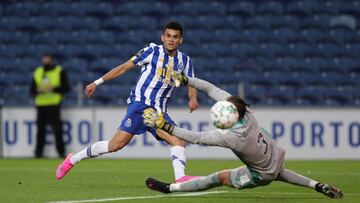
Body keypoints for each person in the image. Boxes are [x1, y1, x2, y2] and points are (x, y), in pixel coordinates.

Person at [142, 75, 343, 199]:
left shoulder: (231, 138)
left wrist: (165, 125)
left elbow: (194, 137)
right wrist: (187, 80)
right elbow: (212, 90)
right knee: (277, 171)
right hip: (273, 154)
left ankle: (170, 188)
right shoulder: (245, 111)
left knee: (219, 178)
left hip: (259, 174)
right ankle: (318, 185)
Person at [56, 20, 199, 182]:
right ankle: (180, 179)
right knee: (120, 145)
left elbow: (191, 83)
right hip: (141, 105)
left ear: (181, 40)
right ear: (162, 37)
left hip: (159, 111)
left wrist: (193, 98)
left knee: (173, 141)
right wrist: (97, 82)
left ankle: (181, 179)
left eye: (175, 37)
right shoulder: (151, 51)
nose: (171, 39)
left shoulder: (185, 61)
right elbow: (124, 67)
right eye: (168, 36)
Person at [30, 53, 70, 158]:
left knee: (57, 130)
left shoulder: (59, 70)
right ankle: (38, 153)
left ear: (52, 60)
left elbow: (66, 88)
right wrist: (39, 90)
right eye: (44, 59)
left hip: (54, 105)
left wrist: (53, 89)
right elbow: (32, 90)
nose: (45, 61)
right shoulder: (38, 71)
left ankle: (61, 153)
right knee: (40, 130)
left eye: (47, 59)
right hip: (41, 105)